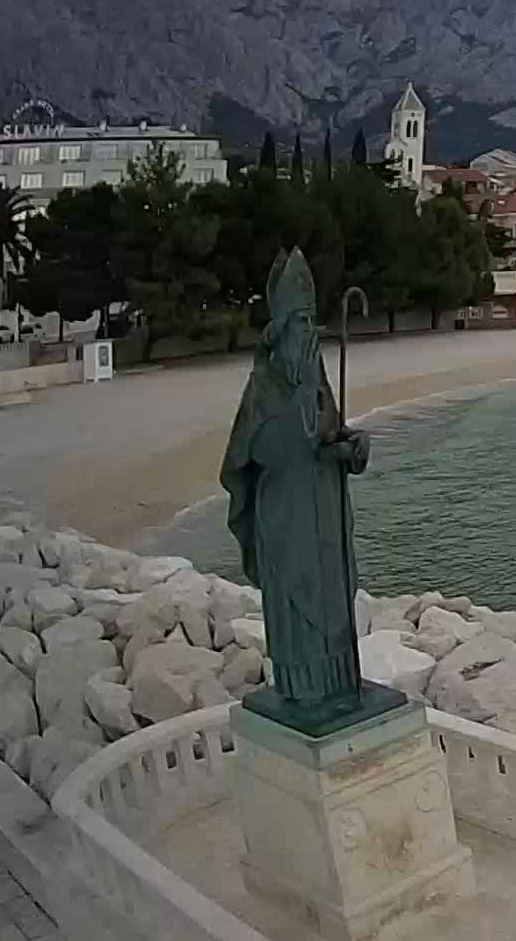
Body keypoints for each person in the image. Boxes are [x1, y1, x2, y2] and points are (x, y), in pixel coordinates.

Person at [219, 247, 375, 724]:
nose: (310, 336)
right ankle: (305, 690)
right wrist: (305, 406)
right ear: (282, 331)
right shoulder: (263, 389)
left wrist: (353, 446)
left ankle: (341, 684)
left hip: (326, 515)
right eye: (302, 325)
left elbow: (328, 435)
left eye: (312, 324)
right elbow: (262, 452)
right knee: (298, 609)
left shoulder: (318, 380)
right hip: (287, 521)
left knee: (334, 602)